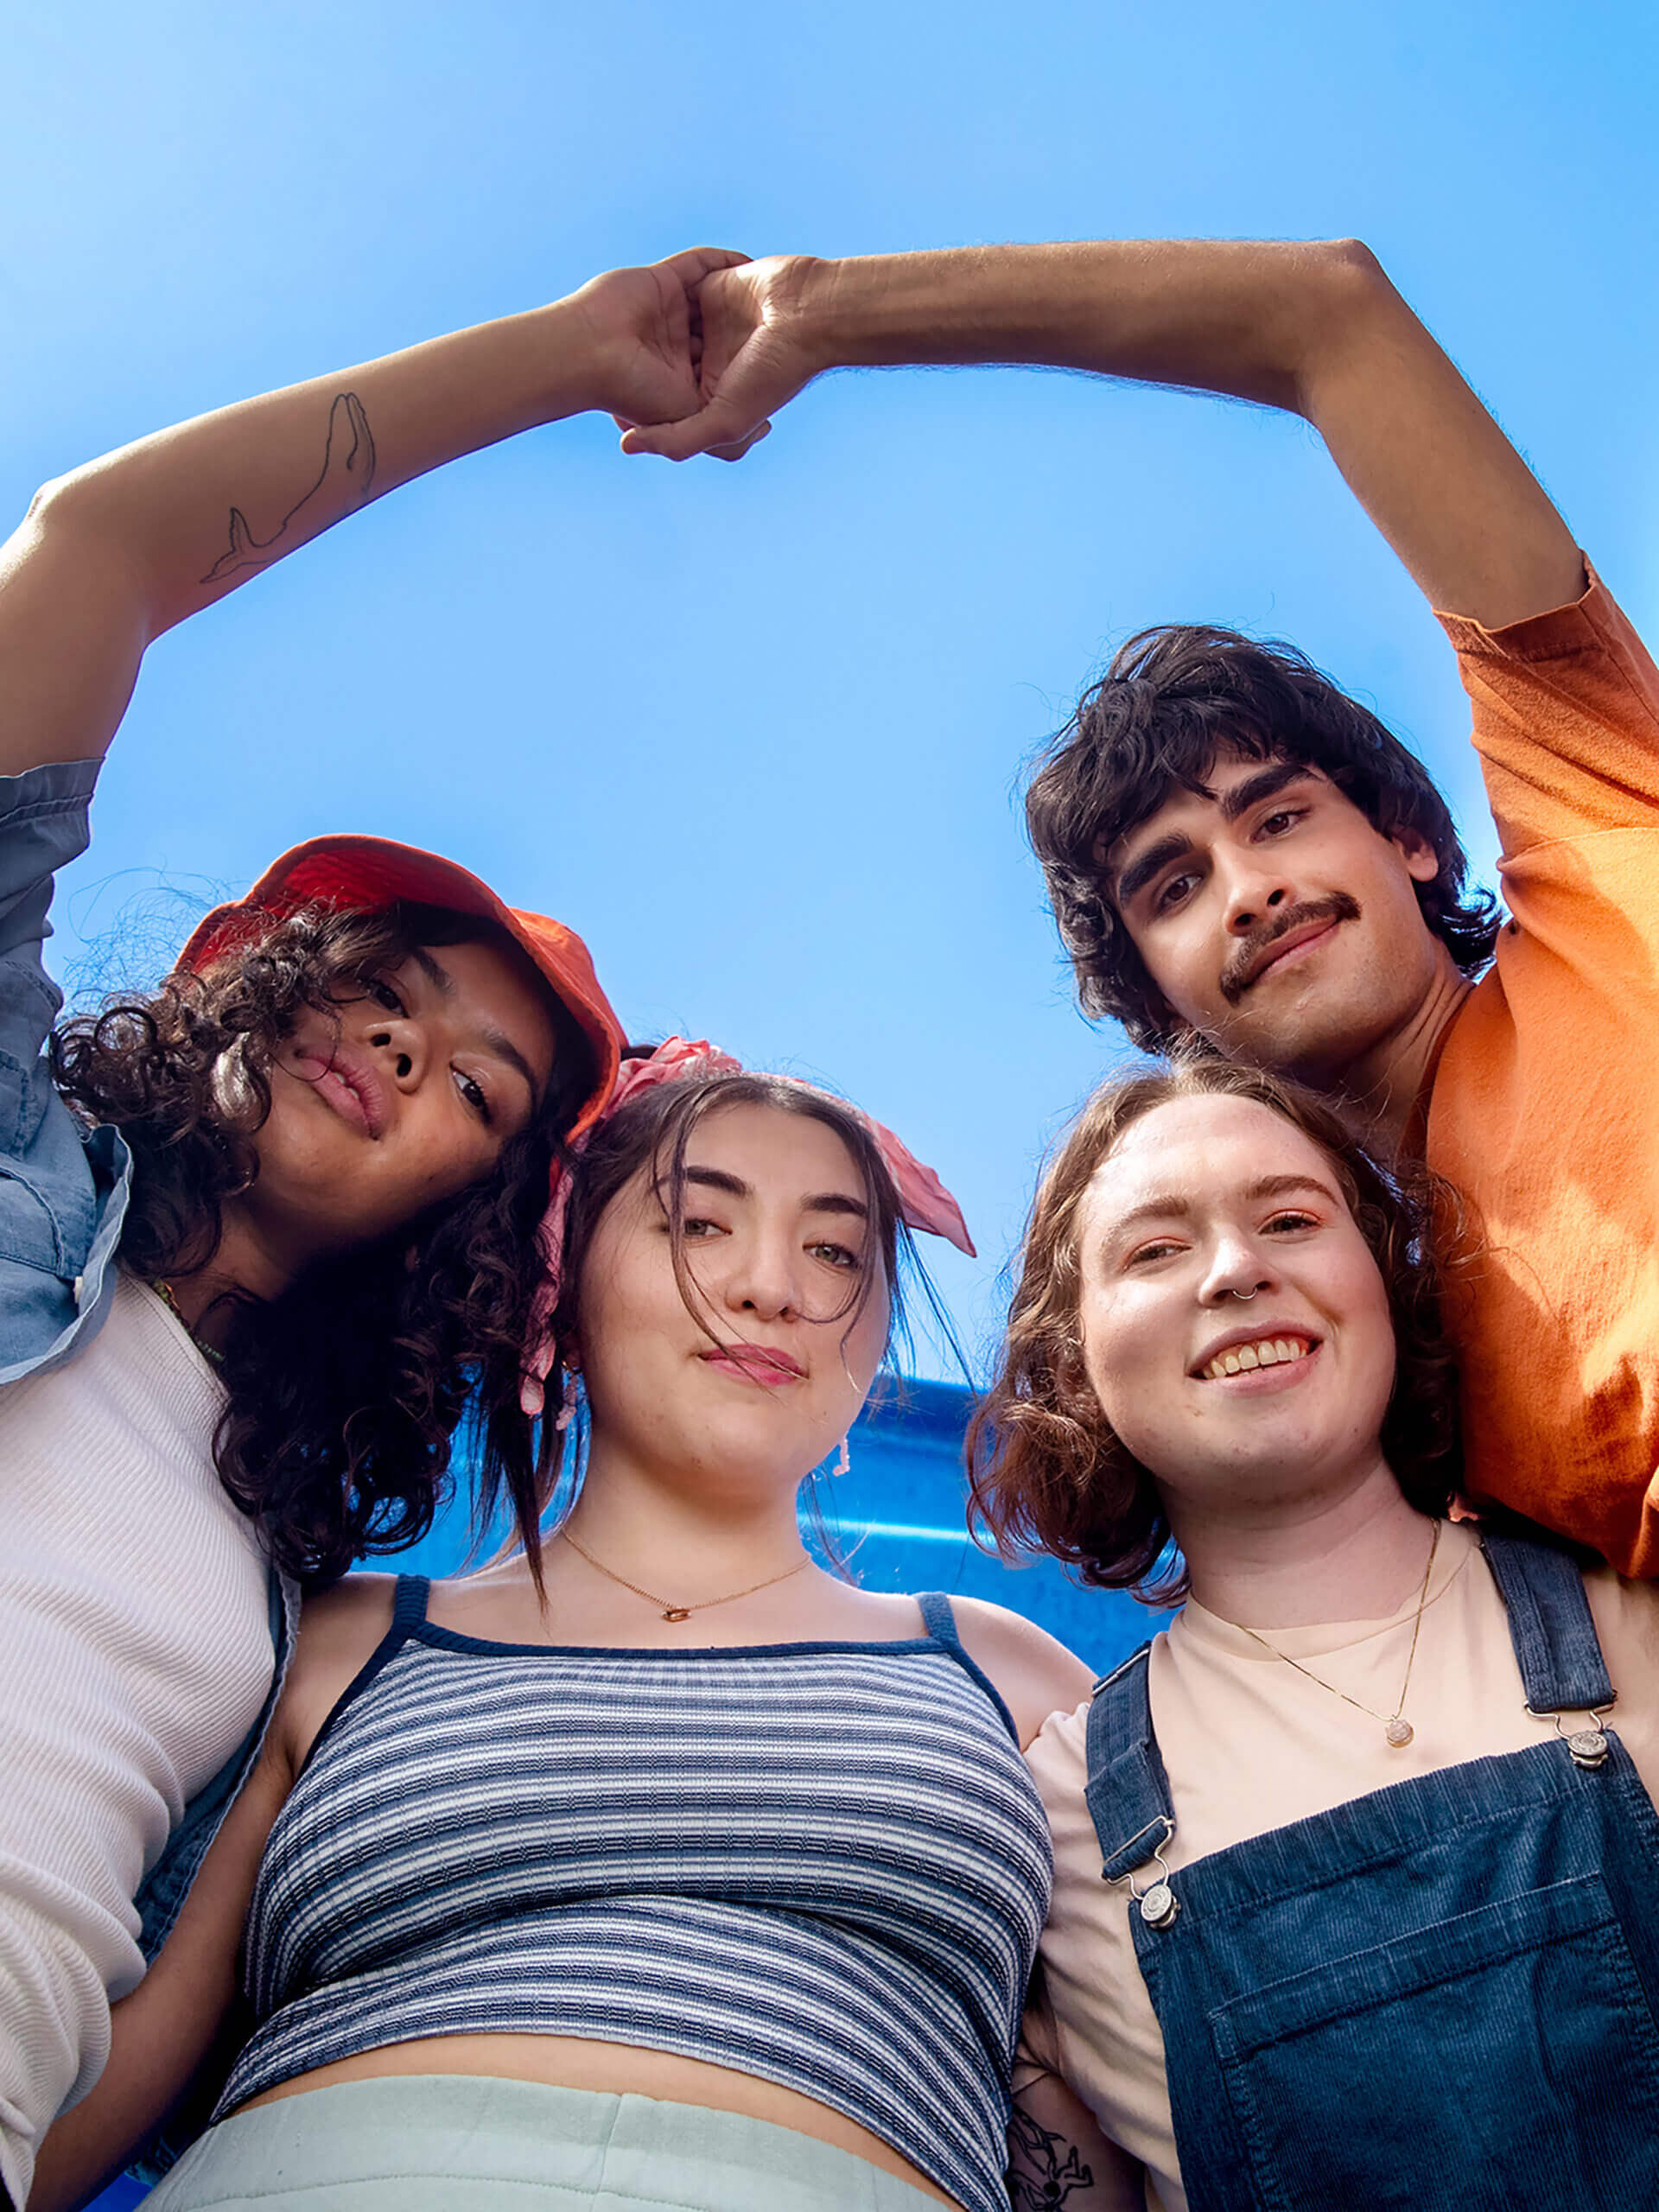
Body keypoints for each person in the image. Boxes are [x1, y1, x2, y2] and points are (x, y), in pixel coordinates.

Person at [0, 247, 765, 2209]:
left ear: (470, 1214)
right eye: (388, 987)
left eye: (483, 1089)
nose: (406, 1050)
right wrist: (570, 357)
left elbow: (119, 2047)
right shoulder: (20, 1158)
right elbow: (91, 547)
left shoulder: (276, 1584)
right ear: (277, 981)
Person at [616, 237, 1659, 1580]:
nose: (1253, 888)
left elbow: (1325, 314)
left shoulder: (1599, 840)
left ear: (1407, 836)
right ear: (1158, 1002)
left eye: (1279, 818)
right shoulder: (1358, 1366)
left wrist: (819, 313)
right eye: (1176, 886)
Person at [31, 1048, 1094, 2212]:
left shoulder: (1007, 1677)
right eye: (697, 1224)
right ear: (558, 1295)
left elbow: (1098, 2124)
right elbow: (79, 2097)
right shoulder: (343, 1644)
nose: (771, 1285)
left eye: (835, 1249)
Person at [963, 1056, 1659, 2212]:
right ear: (1076, 1358)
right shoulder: (1057, 1819)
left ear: (1386, 1278)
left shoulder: (1633, 1610)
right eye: (1154, 1250)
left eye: (1290, 1217)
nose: (1238, 1271)